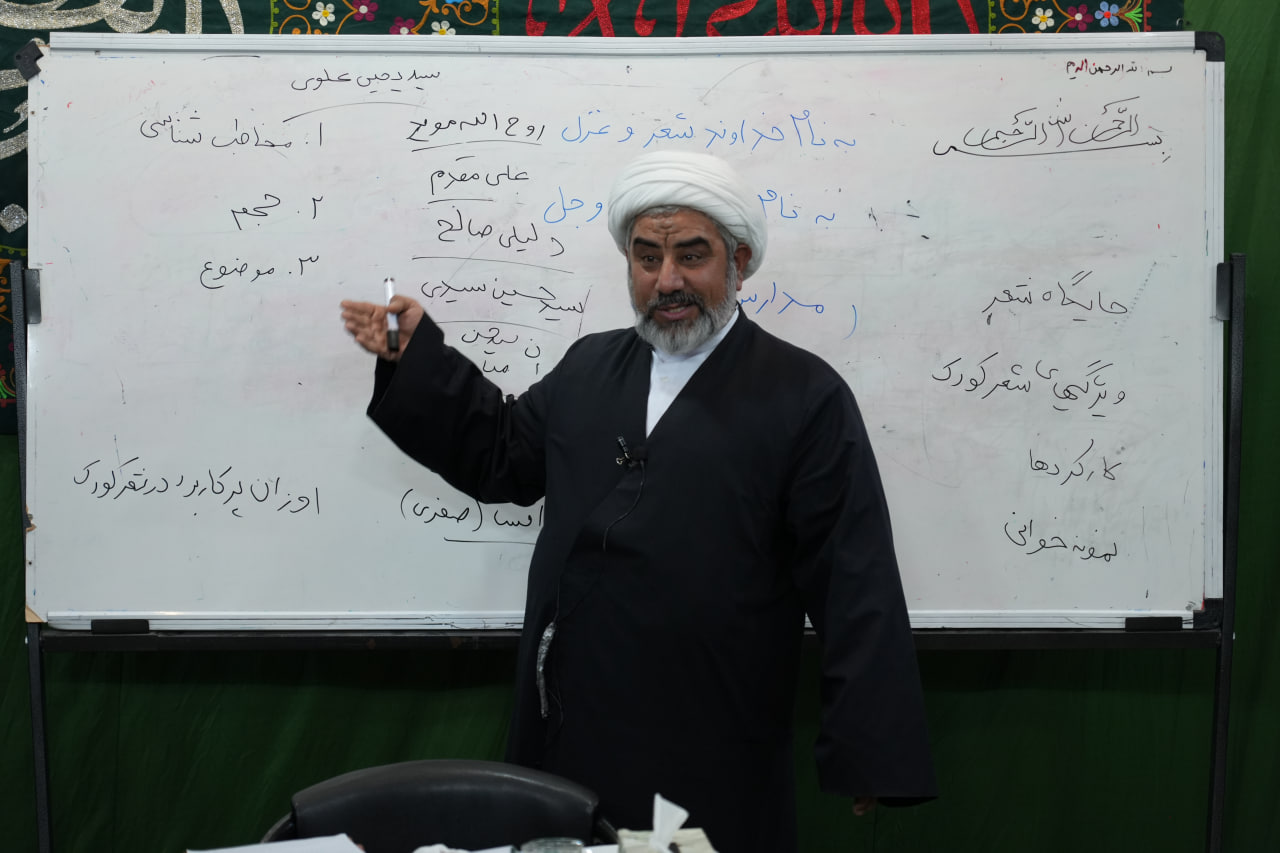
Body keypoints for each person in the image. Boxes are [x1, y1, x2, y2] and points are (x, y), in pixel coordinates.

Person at [340, 151, 936, 852]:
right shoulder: (588, 367)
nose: (667, 280)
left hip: (713, 736)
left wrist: (870, 748)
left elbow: (853, 578)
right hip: (571, 726)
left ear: (739, 261)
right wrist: (416, 359)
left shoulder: (804, 396)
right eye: (647, 258)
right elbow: (502, 455)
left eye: (692, 256)